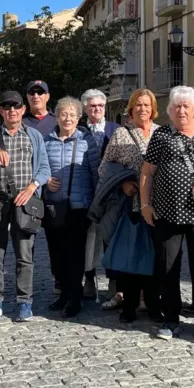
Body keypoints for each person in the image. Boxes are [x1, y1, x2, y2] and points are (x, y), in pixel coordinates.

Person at [139, 86, 194, 343]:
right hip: (167, 213)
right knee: (168, 268)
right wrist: (146, 205)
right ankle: (171, 319)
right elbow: (147, 172)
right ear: (170, 110)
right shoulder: (162, 136)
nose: (181, 110)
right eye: (177, 106)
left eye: (186, 106)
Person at [0, 90, 50, 323]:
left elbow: (44, 168)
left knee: (25, 255)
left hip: (24, 202)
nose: (12, 110)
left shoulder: (33, 135)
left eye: (16, 106)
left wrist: (32, 188)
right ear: (1, 111)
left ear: (23, 110)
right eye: (7, 107)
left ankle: (25, 302)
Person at [97, 88, 160, 321]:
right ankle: (130, 305)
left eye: (146, 104)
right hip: (131, 203)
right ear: (131, 108)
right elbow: (104, 168)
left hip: (157, 203)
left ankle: (153, 303)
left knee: (154, 254)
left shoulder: (161, 133)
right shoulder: (121, 135)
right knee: (132, 254)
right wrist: (123, 183)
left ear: (153, 108)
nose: (142, 109)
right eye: (138, 105)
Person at [43, 97, 101, 317]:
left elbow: (95, 173)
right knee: (57, 254)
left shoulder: (87, 141)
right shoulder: (47, 141)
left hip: (79, 206)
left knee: (75, 254)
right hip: (54, 205)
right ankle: (65, 293)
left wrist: (96, 203)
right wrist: (47, 179)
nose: (67, 118)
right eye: (63, 114)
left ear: (79, 118)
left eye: (72, 115)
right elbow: (39, 167)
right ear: (57, 117)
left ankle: (75, 298)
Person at [79, 88, 118, 298]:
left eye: (100, 106)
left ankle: (113, 279)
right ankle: (89, 278)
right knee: (89, 239)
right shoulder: (78, 130)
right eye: (92, 106)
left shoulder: (115, 129)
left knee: (110, 237)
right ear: (85, 108)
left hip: (111, 193)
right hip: (86, 191)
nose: (96, 109)